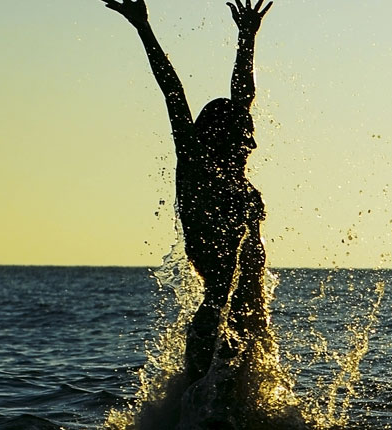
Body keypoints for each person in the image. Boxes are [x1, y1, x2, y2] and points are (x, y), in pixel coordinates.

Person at [103, 0, 277, 384]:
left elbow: (242, 96)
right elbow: (174, 95)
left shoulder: (232, 171)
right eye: (245, 136)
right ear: (223, 137)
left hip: (249, 322)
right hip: (216, 328)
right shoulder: (199, 171)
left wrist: (246, 38)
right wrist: (144, 29)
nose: (252, 144)